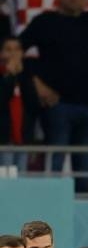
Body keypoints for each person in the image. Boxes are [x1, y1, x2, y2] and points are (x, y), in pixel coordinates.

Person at [19, 0, 88, 192]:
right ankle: (50, 204)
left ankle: (81, 206)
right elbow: (16, 51)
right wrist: (36, 83)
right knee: (55, 162)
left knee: (84, 165)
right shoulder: (44, 21)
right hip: (57, 104)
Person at [0, 36, 40, 174]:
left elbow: (34, 105)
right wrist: (9, 76)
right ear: (1, 54)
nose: (13, 53)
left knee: (21, 178)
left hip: (23, 138)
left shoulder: (26, 76)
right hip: (4, 140)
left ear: (22, 53)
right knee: (6, 179)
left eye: (17, 49)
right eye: (8, 49)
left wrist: (22, 76)